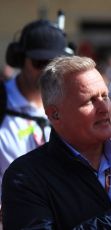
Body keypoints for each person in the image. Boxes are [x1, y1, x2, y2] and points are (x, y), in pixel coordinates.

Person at [1, 55, 111, 229]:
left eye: (105, 96)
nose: (104, 108)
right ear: (55, 114)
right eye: (90, 101)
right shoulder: (25, 177)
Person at [0, 19, 68, 200]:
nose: (47, 71)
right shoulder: (4, 102)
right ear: (20, 59)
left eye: (55, 63)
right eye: (40, 62)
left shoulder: (69, 105)